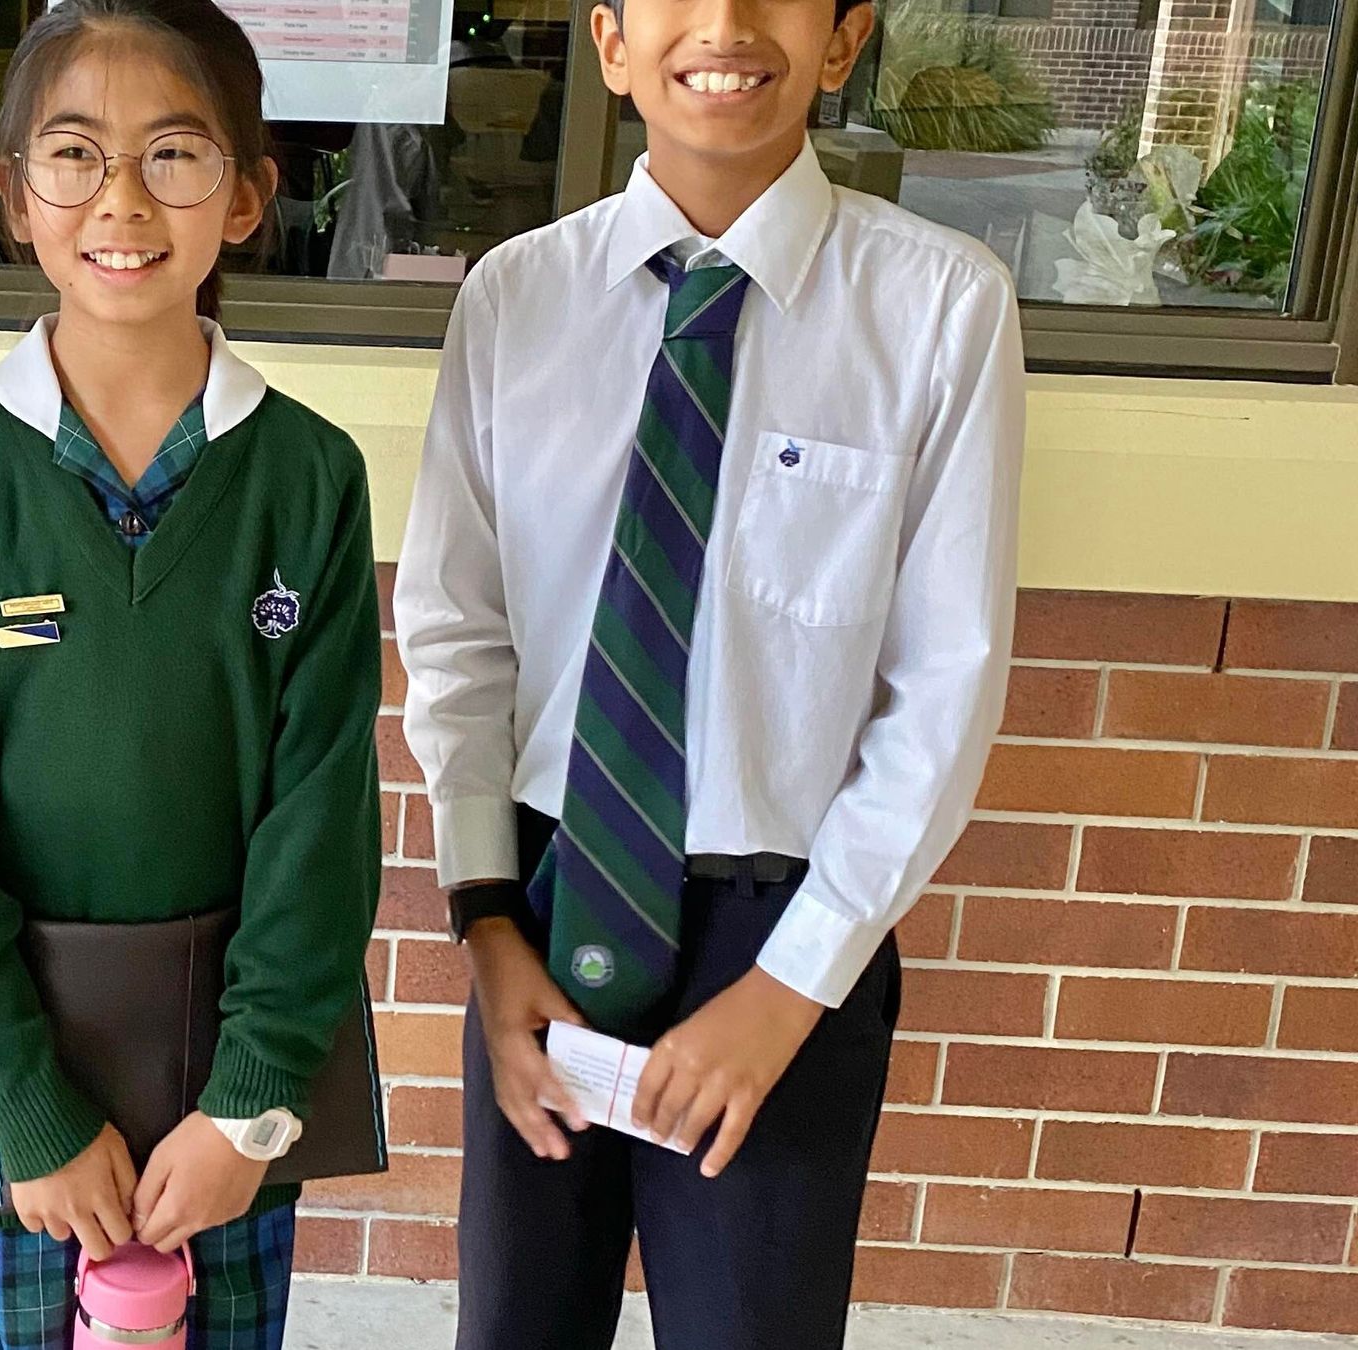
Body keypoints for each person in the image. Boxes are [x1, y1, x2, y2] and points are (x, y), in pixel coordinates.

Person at [392, 0, 1026, 1339]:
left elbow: (944, 686)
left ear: (844, 41)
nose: (725, 23)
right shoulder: (515, 299)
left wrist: (792, 989)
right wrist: (488, 926)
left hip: (782, 931)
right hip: (547, 905)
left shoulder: (938, 307)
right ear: (611, 42)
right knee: (516, 1320)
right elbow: (457, 632)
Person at [0, 1, 383, 1345]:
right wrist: (31, 1110)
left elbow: (320, 820)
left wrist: (250, 1102)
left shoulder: (309, 477)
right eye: (75, 155)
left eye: (174, 155)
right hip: (9, 1102)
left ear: (247, 197)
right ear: (15, 195)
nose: (123, 201)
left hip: (225, 1109)